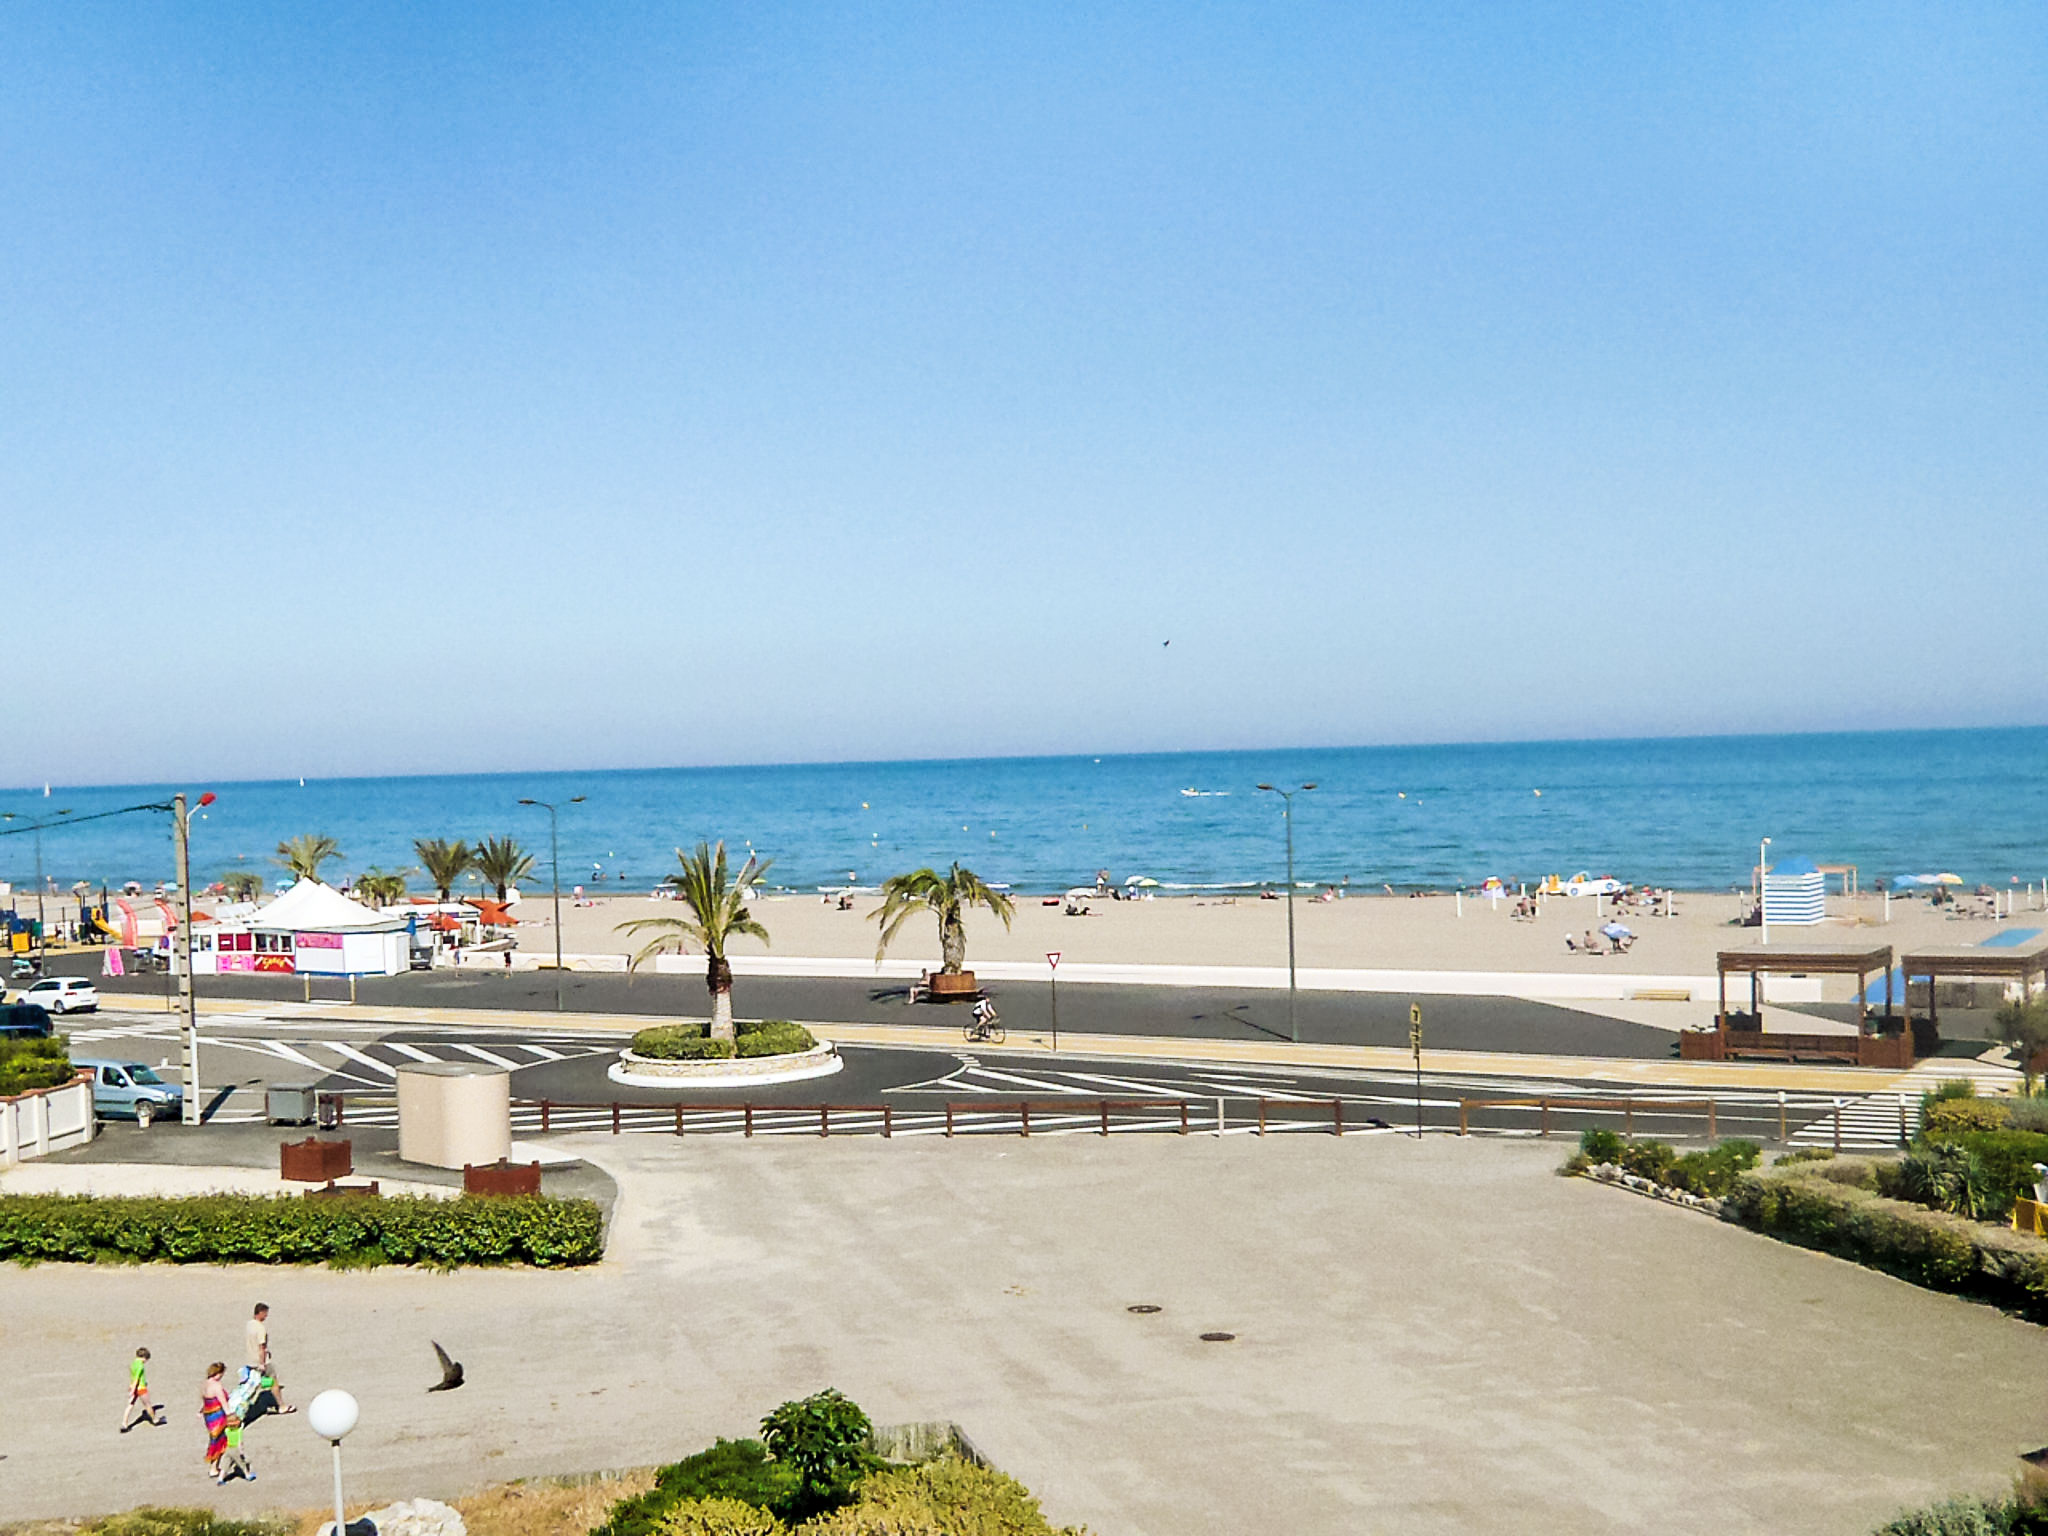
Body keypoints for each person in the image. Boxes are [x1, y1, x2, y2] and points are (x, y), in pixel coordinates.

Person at [243, 1302, 295, 1418]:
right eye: (265, 1313)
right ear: (260, 1313)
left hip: (250, 1359)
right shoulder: (261, 1328)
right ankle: (281, 1406)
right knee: (273, 1382)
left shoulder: (249, 1324)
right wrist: (262, 1363)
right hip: (261, 1361)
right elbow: (262, 1347)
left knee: (251, 1384)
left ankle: (245, 1405)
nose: (266, 1316)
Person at [121, 1346, 166, 1431]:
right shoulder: (140, 1365)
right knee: (148, 1404)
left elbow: (133, 1377)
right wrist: (134, 1389)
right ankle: (155, 1420)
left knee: (130, 1405)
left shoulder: (133, 1364)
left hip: (134, 1387)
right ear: (145, 1358)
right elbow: (137, 1378)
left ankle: (124, 1424)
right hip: (140, 1388)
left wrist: (131, 1388)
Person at [200, 1362, 231, 1483]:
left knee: (214, 1439)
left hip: (208, 1415)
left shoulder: (205, 1384)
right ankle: (213, 1467)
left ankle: (214, 1465)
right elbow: (223, 1402)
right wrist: (230, 1415)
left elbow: (203, 1400)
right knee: (220, 1440)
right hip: (218, 1415)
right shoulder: (217, 1386)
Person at [219, 1413, 255, 1483]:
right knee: (242, 1463)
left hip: (228, 1448)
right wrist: (241, 1451)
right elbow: (239, 1442)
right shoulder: (239, 1431)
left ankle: (220, 1478)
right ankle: (248, 1475)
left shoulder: (227, 1430)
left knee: (225, 1464)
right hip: (236, 1449)